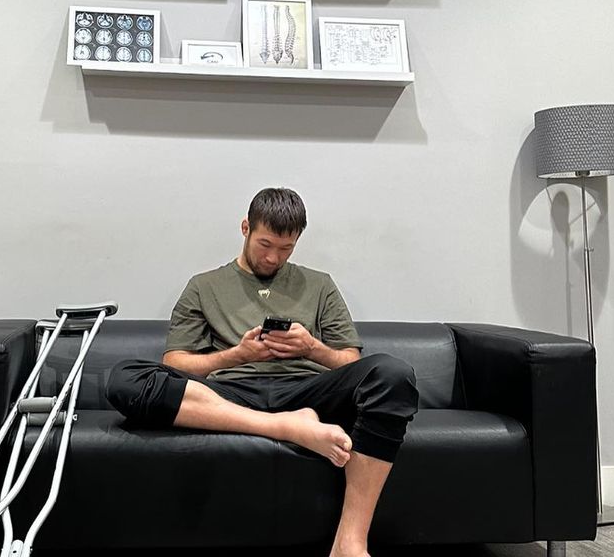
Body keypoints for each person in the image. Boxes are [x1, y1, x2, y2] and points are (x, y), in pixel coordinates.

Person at [106, 187, 419, 557]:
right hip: (230, 395)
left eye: (286, 248)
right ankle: (287, 426)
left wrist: (312, 348)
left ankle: (349, 542)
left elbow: (351, 362)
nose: (273, 258)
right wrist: (235, 356)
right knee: (125, 378)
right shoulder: (203, 286)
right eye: (265, 244)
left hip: (307, 390)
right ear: (245, 228)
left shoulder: (320, 284)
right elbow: (175, 364)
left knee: (393, 374)